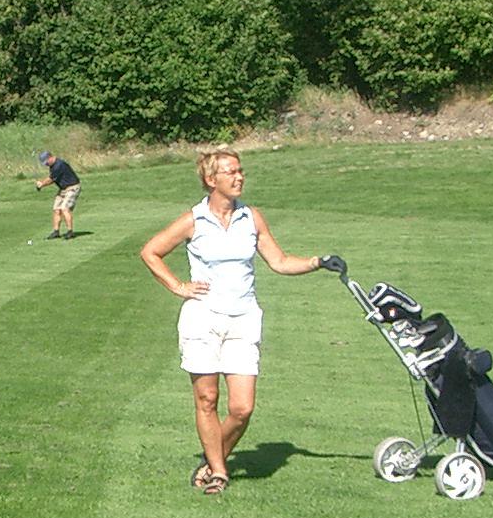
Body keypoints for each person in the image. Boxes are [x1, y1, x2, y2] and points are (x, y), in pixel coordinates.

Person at [139, 147, 342, 496]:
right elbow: (151, 252)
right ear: (210, 179)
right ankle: (219, 472)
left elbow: (279, 261)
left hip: (244, 318)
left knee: (242, 408)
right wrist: (178, 287)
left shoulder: (252, 217)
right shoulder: (194, 220)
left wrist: (317, 262)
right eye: (230, 172)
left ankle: (212, 460)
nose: (239, 177)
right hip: (203, 318)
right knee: (207, 399)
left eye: (240, 170)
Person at [34, 149, 81, 239]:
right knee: (56, 209)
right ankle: (56, 232)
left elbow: (51, 179)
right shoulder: (53, 166)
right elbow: (53, 179)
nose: (46, 164)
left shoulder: (59, 165)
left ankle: (70, 232)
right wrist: (42, 183)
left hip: (72, 187)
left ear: (50, 157)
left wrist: (41, 184)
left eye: (46, 162)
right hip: (63, 189)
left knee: (65, 208)